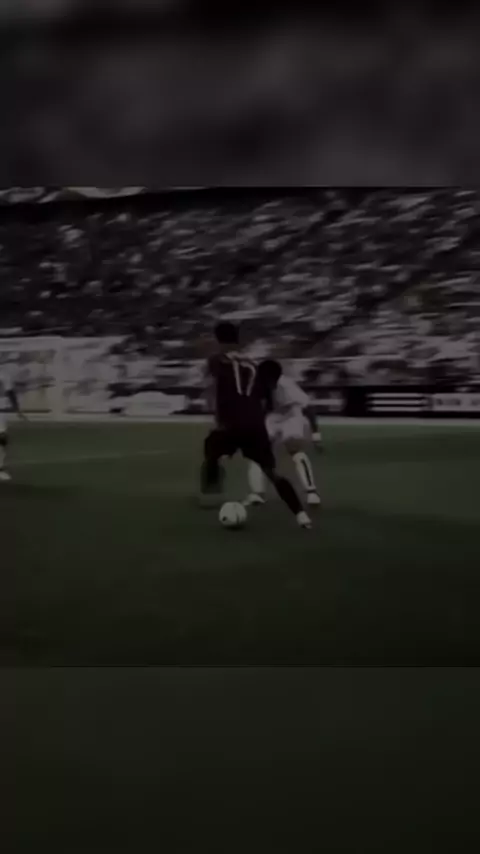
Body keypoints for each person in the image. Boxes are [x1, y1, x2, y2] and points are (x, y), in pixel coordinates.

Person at [200, 322, 312, 529]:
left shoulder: (216, 360)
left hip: (231, 424)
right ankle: (301, 516)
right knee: (272, 473)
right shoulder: (253, 364)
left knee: (210, 448)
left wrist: (219, 416)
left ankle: (211, 491)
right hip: (255, 426)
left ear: (217, 339)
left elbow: (214, 387)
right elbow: (266, 398)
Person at [245, 359, 322, 507]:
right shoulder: (255, 386)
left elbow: (308, 409)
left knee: (295, 450)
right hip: (271, 417)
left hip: (291, 415)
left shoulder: (287, 386)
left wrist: (316, 435)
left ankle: (311, 492)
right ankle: (257, 494)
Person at [0, 372, 24, 482]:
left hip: (1, 411)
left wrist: (16, 408)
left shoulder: (4, 375)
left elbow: (10, 392)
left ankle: (0, 468)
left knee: (2, 439)